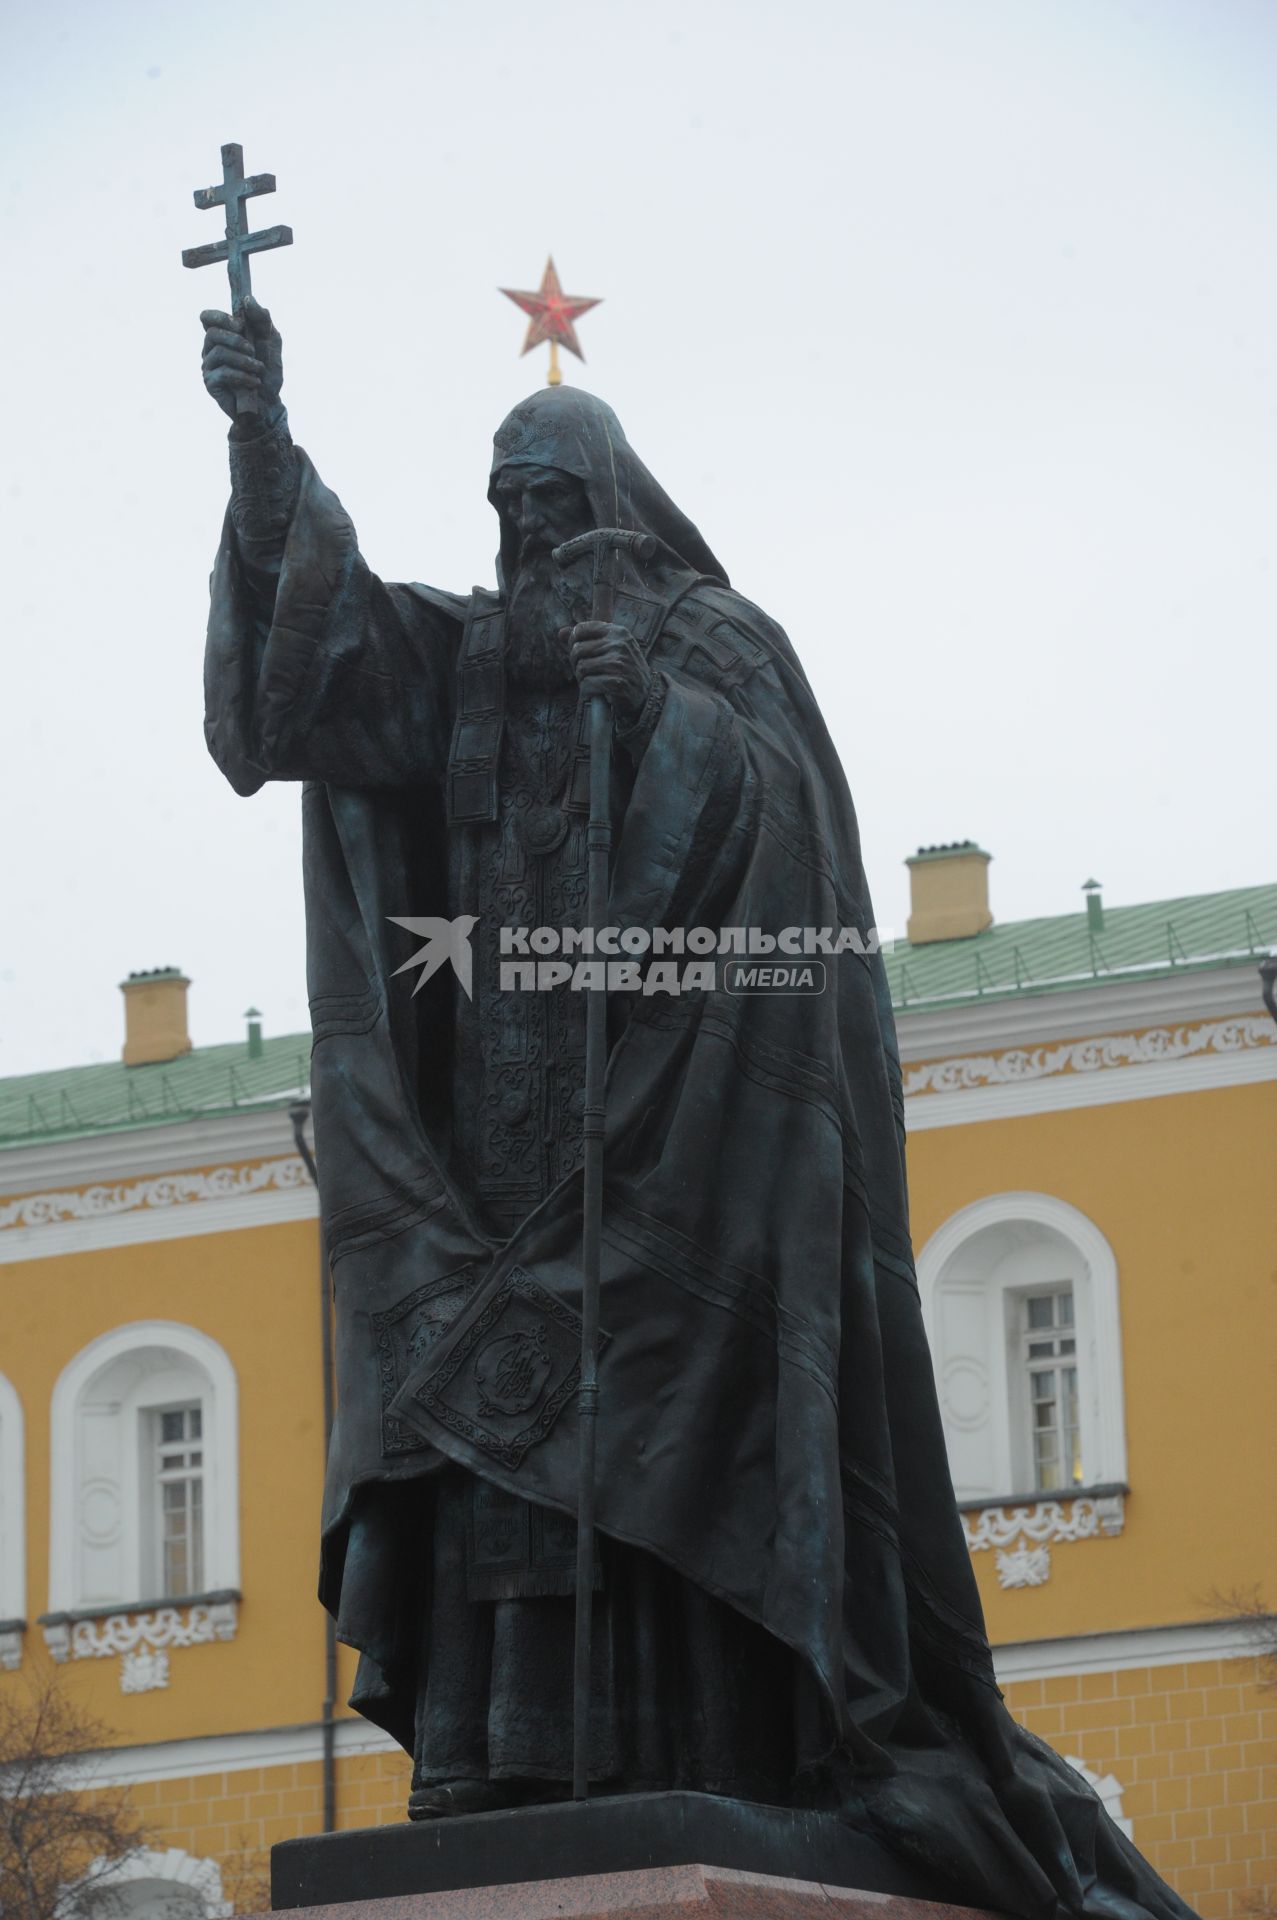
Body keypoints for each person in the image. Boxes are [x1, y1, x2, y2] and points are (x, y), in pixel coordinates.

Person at [200, 299, 1196, 1917]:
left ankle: (702, 1732)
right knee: (493, 1422)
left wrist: (653, 715)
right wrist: (262, 453)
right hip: (495, 1130)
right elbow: (321, 685)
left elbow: (784, 824)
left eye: (556, 505)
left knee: (666, 1414)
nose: (530, 535)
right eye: (507, 508)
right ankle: (502, 1750)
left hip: (686, 1141)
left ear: (616, 505)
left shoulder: (714, 640)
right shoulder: (467, 656)